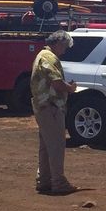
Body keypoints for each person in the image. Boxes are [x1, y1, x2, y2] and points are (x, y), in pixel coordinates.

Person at [30, 30, 77, 195]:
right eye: (64, 46)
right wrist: (70, 88)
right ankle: (58, 182)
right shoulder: (49, 57)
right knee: (56, 145)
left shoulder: (42, 55)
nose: (64, 50)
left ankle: (44, 180)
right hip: (50, 106)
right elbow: (56, 82)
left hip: (42, 106)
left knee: (46, 146)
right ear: (58, 44)